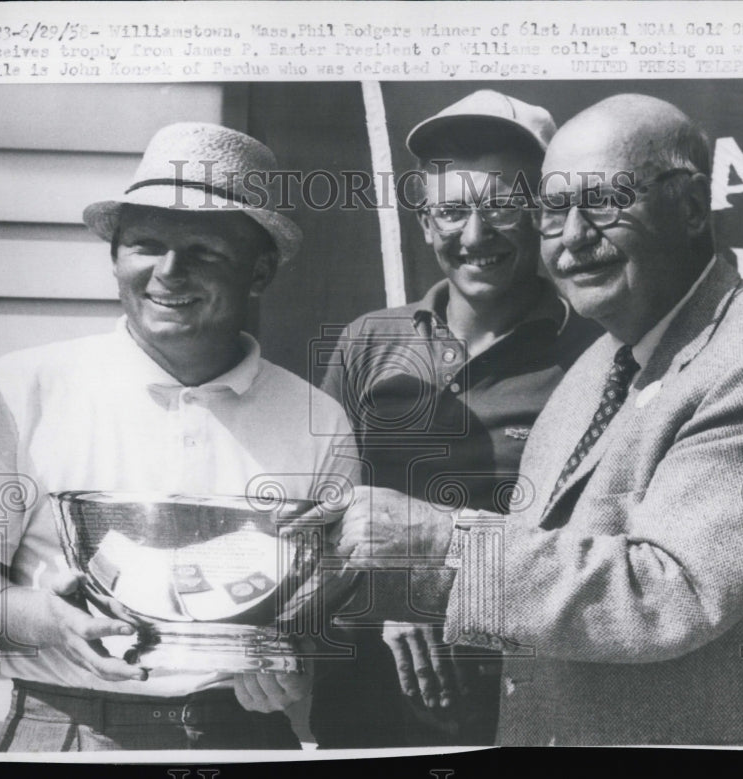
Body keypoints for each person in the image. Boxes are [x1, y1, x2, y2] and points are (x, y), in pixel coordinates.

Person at [336, 94, 743, 745]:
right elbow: (549, 564)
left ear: (692, 208)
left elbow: (667, 595)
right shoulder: (601, 364)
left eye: (606, 201)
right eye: (553, 211)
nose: (575, 235)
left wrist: (441, 537)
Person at [0, 122, 359, 751]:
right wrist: (47, 621)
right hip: (65, 731)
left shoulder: (316, 417)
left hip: (237, 734)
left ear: (260, 271)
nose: (169, 272)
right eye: (146, 244)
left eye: (205, 251)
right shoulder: (26, 386)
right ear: (114, 255)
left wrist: (291, 660)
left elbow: (324, 602)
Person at [310, 90, 600, 747]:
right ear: (424, 224)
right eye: (451, 210)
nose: (475, 235)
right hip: (366, 691)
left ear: (546, 215)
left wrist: (436, 577)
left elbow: (597, 547)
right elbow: (312, 512)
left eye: (503, 206)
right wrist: (387, 601)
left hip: (528, 695)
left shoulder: (598, 353)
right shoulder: (369, 340)